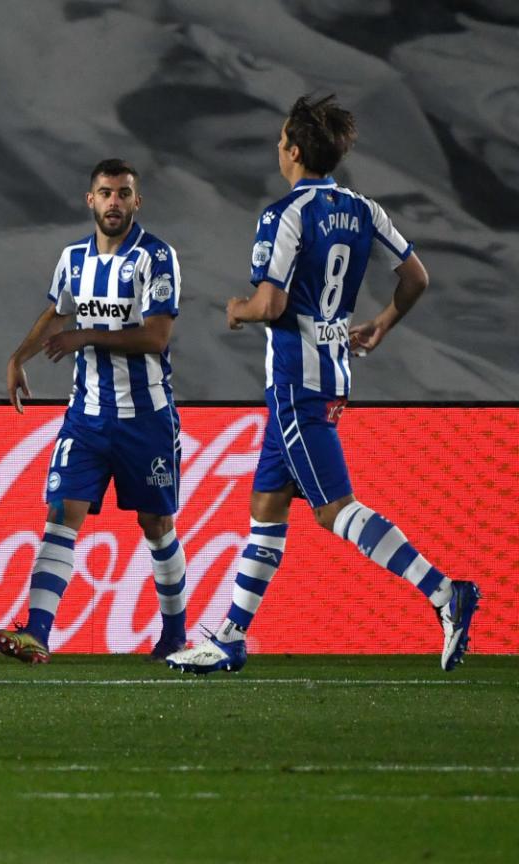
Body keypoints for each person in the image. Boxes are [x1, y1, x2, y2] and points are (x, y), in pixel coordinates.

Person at [166, 95, 481, 674]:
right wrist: (382, 323)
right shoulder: (363, 210)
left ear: (292, 150)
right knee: (266, 507)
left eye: (282, 139)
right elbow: (416, 276)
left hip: (295, 381)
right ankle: (232, 636)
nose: (278, 147)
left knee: (335, 510)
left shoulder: (284, 216)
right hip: (330, 374)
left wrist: (239, 307)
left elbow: (272, 302)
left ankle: (444, 594)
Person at [0, 159, 190, 664]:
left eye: (124, 193)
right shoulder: (73, 258)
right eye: (106, 193)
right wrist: (19, 357)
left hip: (146, 418)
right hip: (86, 416)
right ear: (91, 200)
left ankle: (174, 636)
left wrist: (85, 335)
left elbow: (156, 335)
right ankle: (37, 633)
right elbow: (58, 312)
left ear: (136, 202)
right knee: (62, 515)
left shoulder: (156, 257)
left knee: (156, 524)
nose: (115, 202)